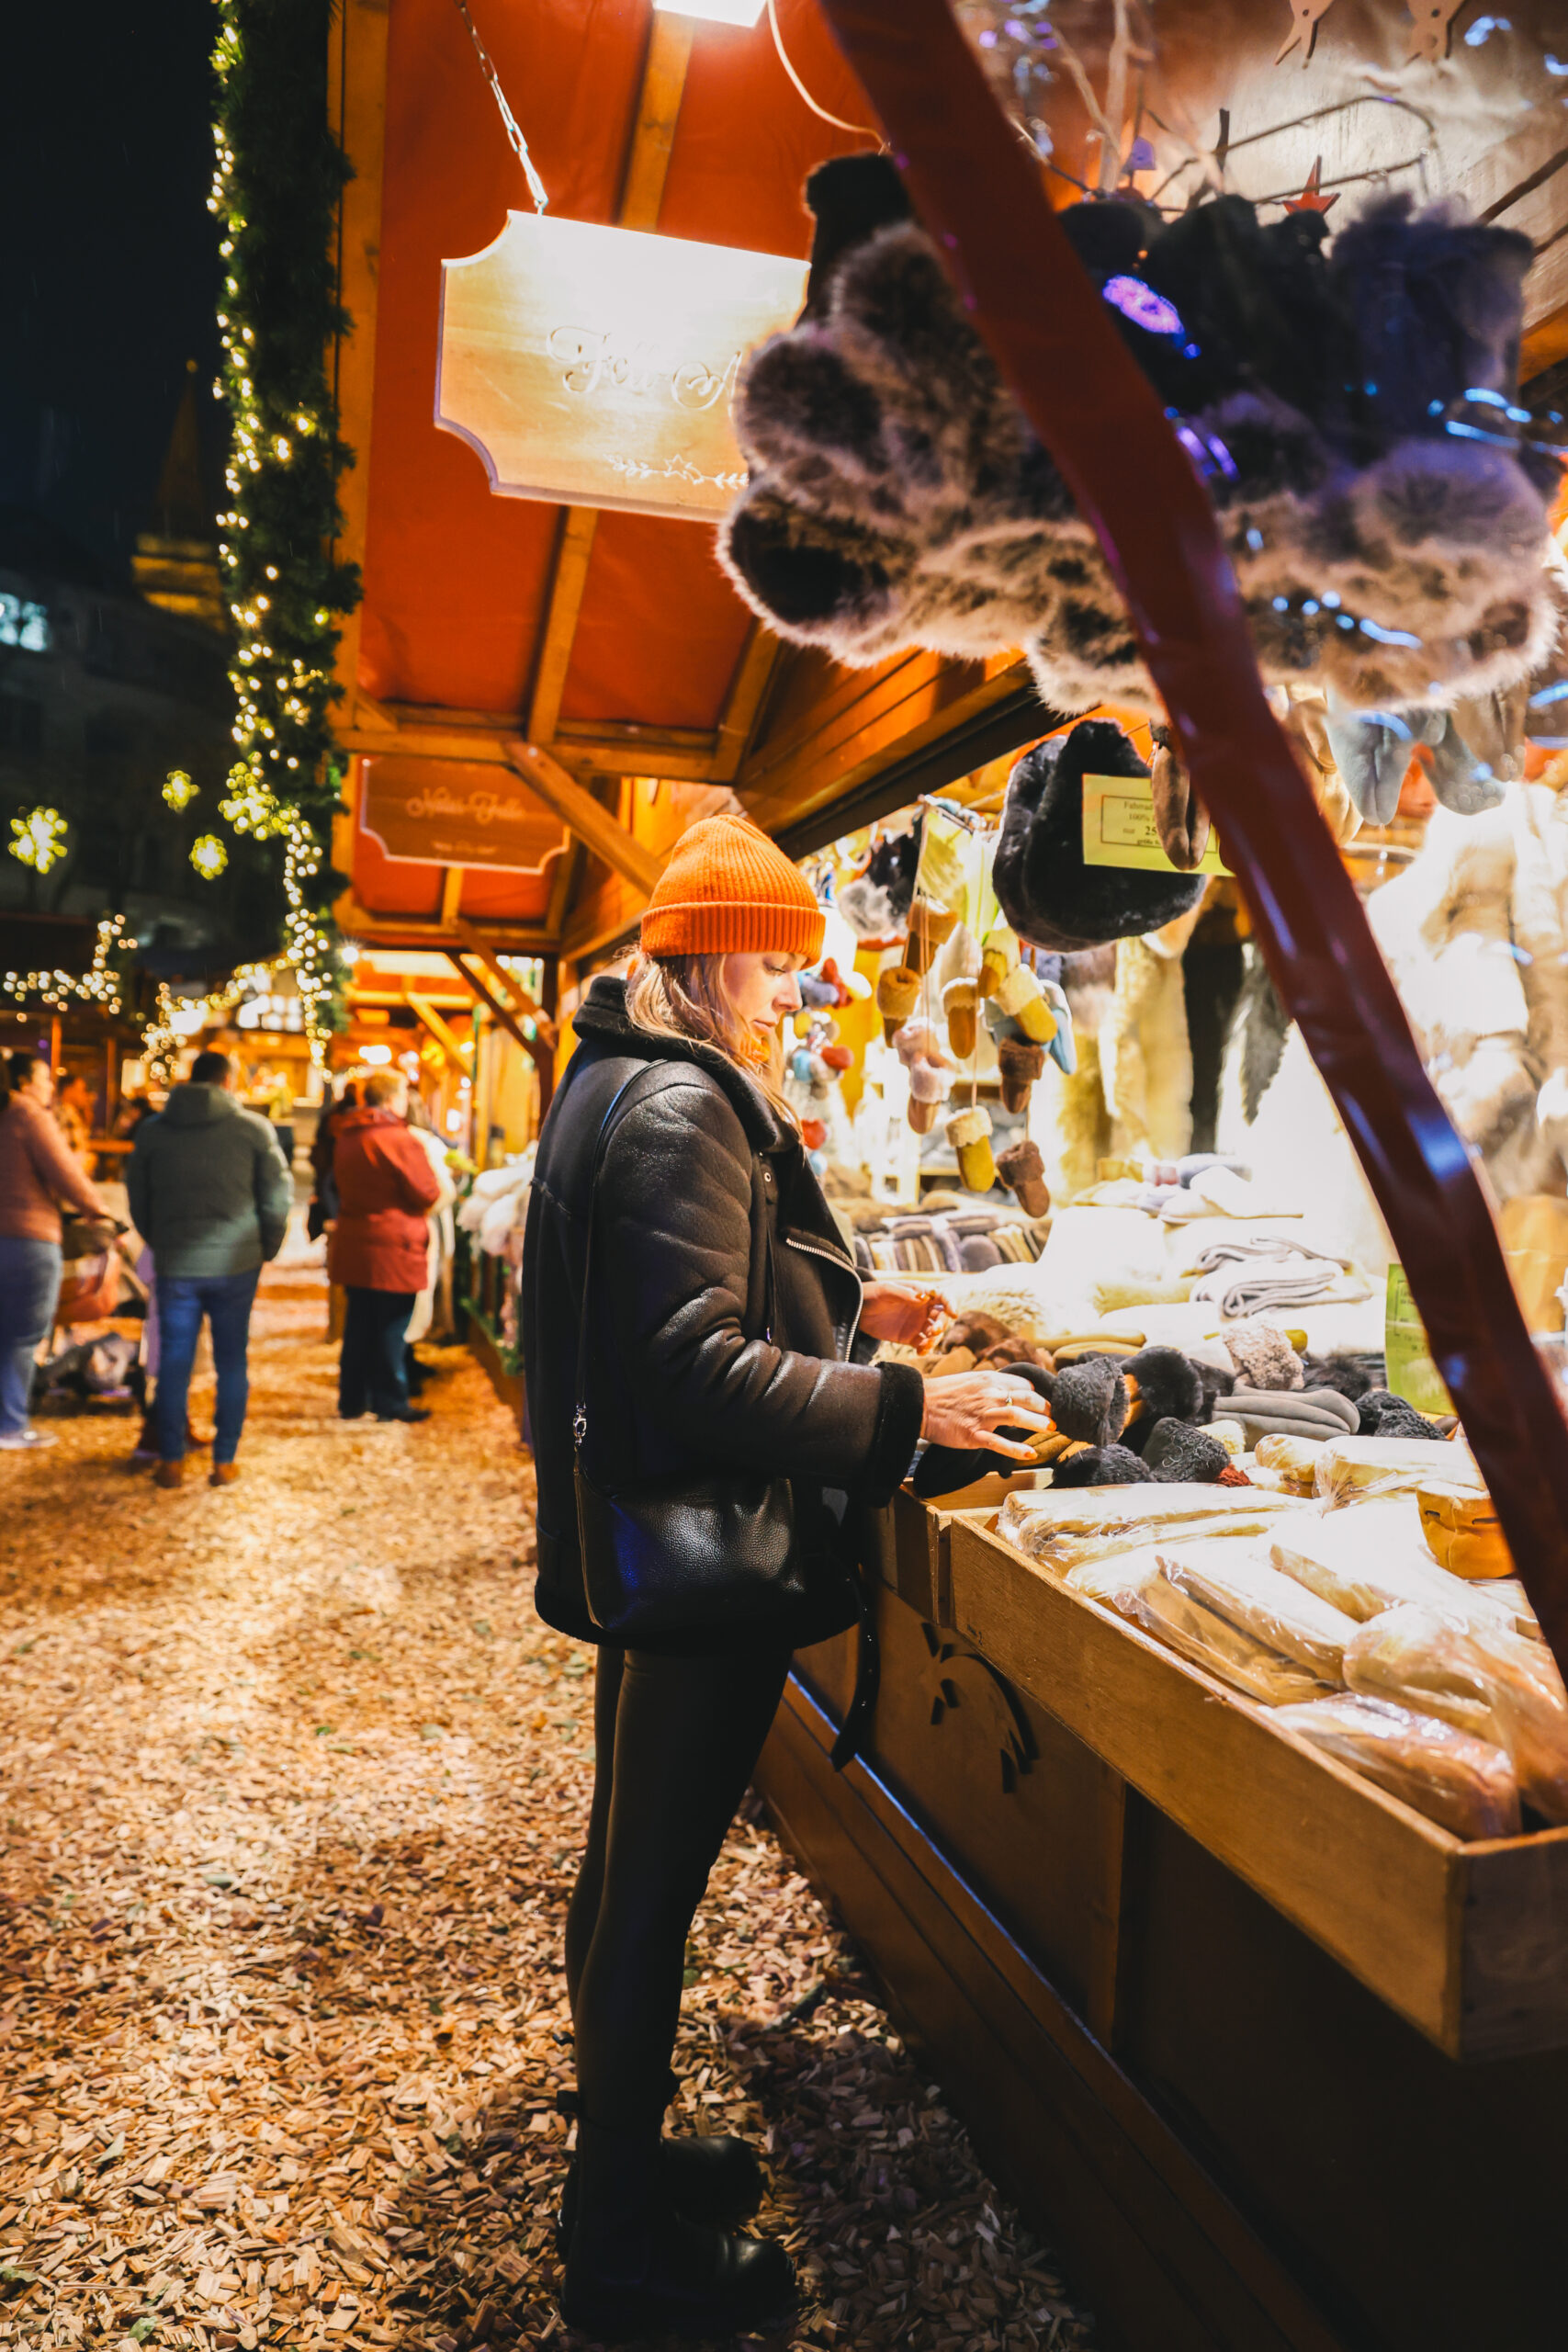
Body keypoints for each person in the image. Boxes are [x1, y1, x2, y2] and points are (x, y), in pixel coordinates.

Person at [522, 813, 1052, 2342]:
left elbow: (672, 1300)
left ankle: (619, 2158)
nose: (788, 996)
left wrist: (840, 1290)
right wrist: (906, 1409)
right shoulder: (686, 1105)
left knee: (628, 1866)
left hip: (640, 1538)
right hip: (700, 1549)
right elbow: (689, 1364)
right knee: (649, 1888)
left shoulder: (614, 1075)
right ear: (718, 955)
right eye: (777, 964)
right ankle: (615, 2238)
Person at [126, 1047, 293, 1489]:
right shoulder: (253, 1130)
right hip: (236, 1262)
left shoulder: (153, 1132)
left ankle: (172, 1462)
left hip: (177, 1260)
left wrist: (161, 1240)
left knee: (174, 1362)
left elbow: (138, 1200)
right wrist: (267, 1247)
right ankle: (223, 1461)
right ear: (228, 1080)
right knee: (231, 1360)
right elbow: (277, 1196)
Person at [0, 1054, 106, 1450]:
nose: (50, 1087)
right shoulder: (24, 1113)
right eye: (45, 1079)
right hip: (26, 1237)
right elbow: (66, 1173)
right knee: (22, 1335)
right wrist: (101, 1212)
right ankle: (10, 1424)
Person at [331, 1069, 442, 1422]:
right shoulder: (400, 1140)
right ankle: (390, 1401)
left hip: (355, 1240)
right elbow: (428, 1191)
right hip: (394, 1243)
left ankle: (351, 1400)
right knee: (392, 1326)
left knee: (359, 1322)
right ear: (396, 1098)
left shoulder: (347, 1135)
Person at [54, 1072, 96, 1168]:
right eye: (81, 1090)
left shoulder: (60, 1112)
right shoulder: (67, 1116)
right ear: (68, 1090)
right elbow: (73, 1155)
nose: (84, 1095)